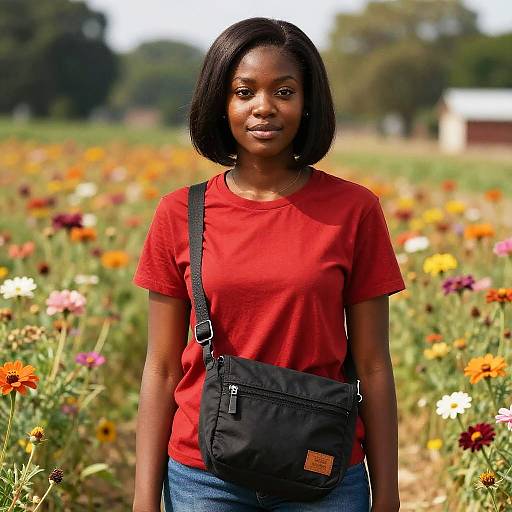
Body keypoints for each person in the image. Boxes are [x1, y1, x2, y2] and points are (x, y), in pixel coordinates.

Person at [132, 17, 406, 512]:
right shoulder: (179, 213)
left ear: (308, 104)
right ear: (221, 102)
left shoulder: (354, 210)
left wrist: (387, 495)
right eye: (244, 91)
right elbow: (162, 366)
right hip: (203, 476)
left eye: (284, 91)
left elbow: (373, 364)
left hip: (325, 472)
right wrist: (144, 500)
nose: (264, 107)